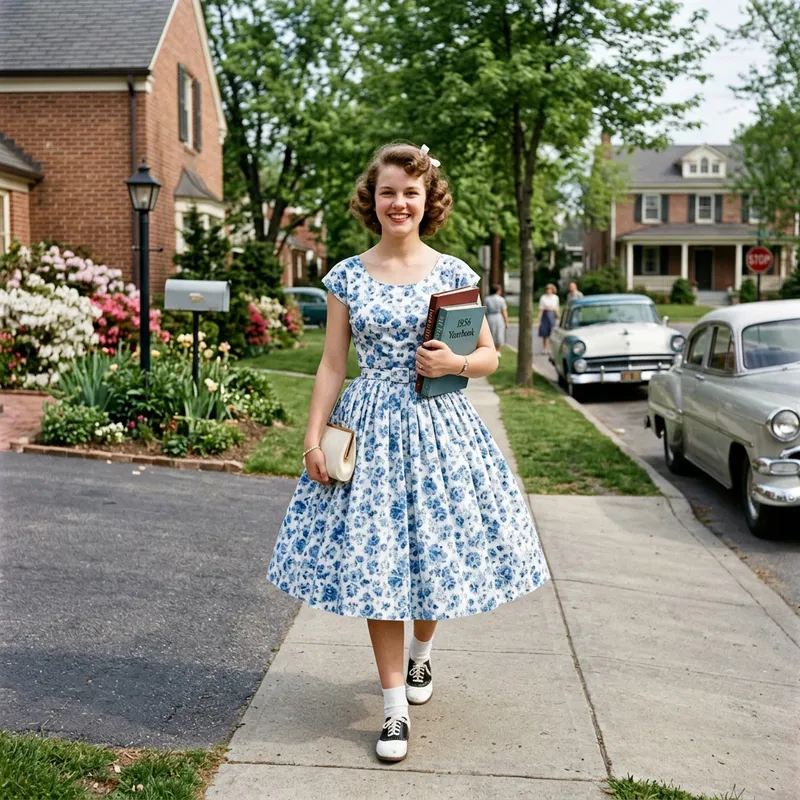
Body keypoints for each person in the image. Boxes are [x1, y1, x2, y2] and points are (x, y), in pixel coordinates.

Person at [267, 142, 550, 764]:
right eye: (388, 191)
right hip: (369, 433)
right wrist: (313, 438)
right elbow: (331, 364)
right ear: (372, 199)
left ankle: (423, 653)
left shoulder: (453, 274)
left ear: (429, 201)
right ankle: (394, 710)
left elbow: (489, 356)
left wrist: (458, 362)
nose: (400, 202)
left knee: (433, 561)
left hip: (439, 429)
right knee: (380, 570)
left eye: (411, 192)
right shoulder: (344, 275)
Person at [484, 283, 509, 355]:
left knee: (491, 333)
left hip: (490, 317)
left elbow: (485, 310)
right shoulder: (501, 299)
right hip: (498, 317)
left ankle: (491, 349)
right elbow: (504, 311)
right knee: (499, 333)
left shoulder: (487, 299)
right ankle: (498, 350)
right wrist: (506, 321)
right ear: (498, 290)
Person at [537, 283, 560, 355]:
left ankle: (550, 348)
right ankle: (545, 348)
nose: (548, 291)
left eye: (549, 289)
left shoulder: (555, 297)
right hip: (545, 315)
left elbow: (556, 308)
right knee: (545, 333)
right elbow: (541, 309)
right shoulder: (543, 297)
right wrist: (539, 319)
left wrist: (558, 316)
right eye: (547, 290)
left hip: (552, 314)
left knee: (552, 332)